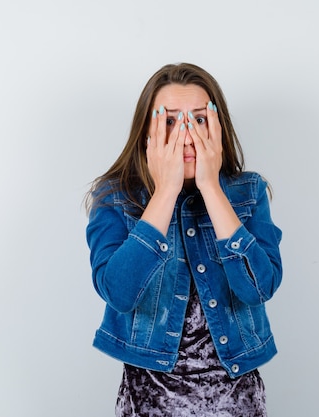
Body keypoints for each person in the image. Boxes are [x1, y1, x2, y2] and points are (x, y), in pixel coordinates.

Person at [84, 63, 283, 416]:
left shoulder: (249, 192)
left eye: (200, 119)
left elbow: (259, 287)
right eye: (171, 121)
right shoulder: (114, 196)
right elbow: (118, 292)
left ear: (218, 128)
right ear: (147, 131)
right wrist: (165, 191)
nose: (187, 135)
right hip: (150, 399)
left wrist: (210, 187)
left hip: (236, 399)